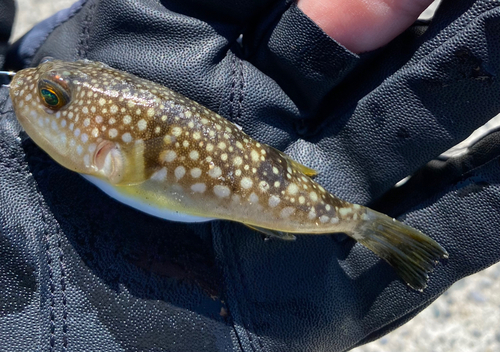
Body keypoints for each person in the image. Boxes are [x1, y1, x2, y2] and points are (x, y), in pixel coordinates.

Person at [1, 0, 499, 351]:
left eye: (52, 100)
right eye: (55, 97)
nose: (31, 93)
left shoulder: (118, 151)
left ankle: (368, 227)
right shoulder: (110, 144)